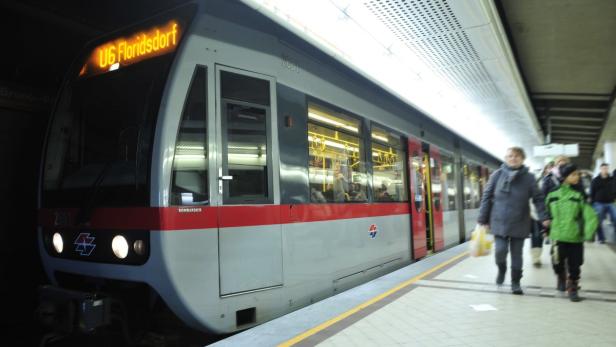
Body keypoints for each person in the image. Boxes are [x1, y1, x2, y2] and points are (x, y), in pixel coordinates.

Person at [478, 147, 549, 295]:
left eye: (516, 156)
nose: (513, 158)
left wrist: (543, 216)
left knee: (517, 254)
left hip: (520, 221)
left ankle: (516, 282)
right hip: (499, 220)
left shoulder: (529, 177)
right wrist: (482, 218)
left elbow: (538, 198)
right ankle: (501, 269)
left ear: (522, 159)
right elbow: (487, 197)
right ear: (505, 158)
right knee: (500, 251)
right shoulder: (497, 175)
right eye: (510, 156)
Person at [546, 163, 598, 302]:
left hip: (575, 237)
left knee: (575, 265)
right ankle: (561, 277)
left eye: (578, 174)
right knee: (557, 262)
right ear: (564, 177)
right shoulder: (552, 194)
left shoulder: (580, 195)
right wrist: (544, 225)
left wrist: (588, 233)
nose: (577, 177)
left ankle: (573, 287)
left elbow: (590, 215)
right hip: (557, 236)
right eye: (574, 174)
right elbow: (544, 212)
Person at [530, 161, 554, 265]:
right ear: (545, 169)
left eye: (553, 167)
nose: (551, 170)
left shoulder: (560, 180)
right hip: (537, 212)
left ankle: (556, 255)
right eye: (549, 168)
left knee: (555, 235)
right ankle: (536, 258)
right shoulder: (537, 179)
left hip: (555, 212)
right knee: (536, 235)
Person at [590, 163, 616, 244]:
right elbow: (592, 193)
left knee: (615, 219)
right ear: (600, 169)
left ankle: (614, 238)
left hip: (610, 203)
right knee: (598, 221)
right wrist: (592, 204)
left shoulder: (612, 179)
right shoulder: (595, 180)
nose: (605, 170)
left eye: (606, 168)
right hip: (599, 203)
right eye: (603, 168)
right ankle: (601, 238)